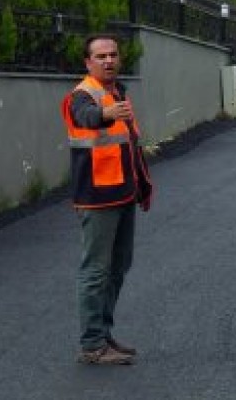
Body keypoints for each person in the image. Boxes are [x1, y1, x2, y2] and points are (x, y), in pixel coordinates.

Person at [60, 34, 155, 365]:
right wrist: (106, 113)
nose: (108, 60)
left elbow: (129, 145)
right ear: (88, 62)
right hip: (97, 197)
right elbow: (86, 117)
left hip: (122, 193)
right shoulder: (82, 96)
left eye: (113, 55)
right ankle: (92, 345)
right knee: (96, 270)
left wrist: (142, 185)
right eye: (100, 56)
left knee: (118, 266)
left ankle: (103, 335)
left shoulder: (118, 91)